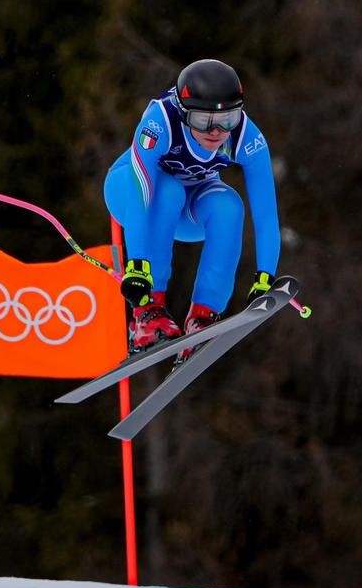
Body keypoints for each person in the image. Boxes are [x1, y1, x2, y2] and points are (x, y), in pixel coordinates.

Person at [103, 58, 281, 364]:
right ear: (184, 113)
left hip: (186, 210)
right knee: (168, 191)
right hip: (130, 195)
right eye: (203, 120)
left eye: (227, 119)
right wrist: (138, 266)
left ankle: (203, 317)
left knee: (228, 206)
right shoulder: (160, 121)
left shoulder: (246, 137)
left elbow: (266, 214)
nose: (216, 131)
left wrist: (265, 276)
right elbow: (141, 190)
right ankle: (148, 314)